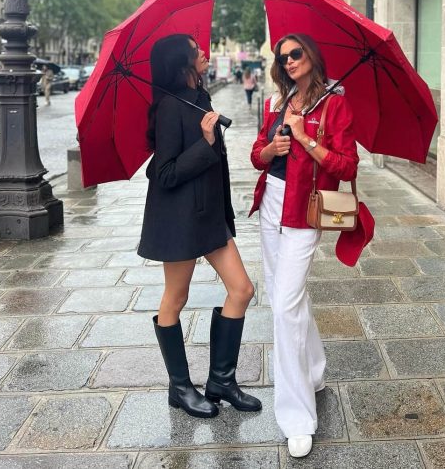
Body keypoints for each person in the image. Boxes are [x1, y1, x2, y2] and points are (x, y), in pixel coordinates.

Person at [139, 34, 261, 419]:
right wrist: (206, 141)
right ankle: (179, 387)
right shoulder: (168, 108)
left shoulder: (199, 98)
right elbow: (165, 173)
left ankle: (221, 380)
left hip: (209, 216)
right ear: (182, 63)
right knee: (175, 298)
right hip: (178, 220)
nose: (203, 52)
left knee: (241, 289)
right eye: (196, 50)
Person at [249, 33, 359, 458]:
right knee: (287, 299)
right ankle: (314, 370)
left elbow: (346, 164)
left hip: (304, 211)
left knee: (283, 306)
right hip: (271, 205)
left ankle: (297, 416)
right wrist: (270, 147)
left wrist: (306, 138)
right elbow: (257, 154)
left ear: (312, 55)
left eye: (296, 54)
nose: (290, 61)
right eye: (284, 57)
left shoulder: (334, 103)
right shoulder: (279, 101)